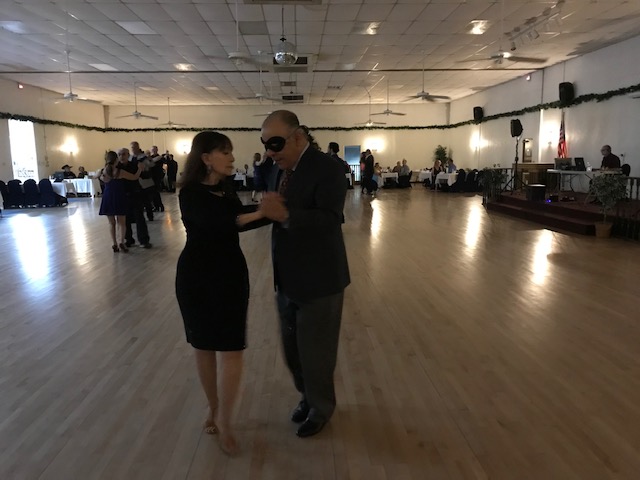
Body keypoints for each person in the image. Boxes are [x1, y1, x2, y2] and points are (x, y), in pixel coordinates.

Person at [175, 131, 268, 456]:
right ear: (206, 158)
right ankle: (213, 407)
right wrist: (264, 211)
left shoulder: (226, 188)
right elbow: (221, 223)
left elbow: (239, 218)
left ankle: (226, 420)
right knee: (203, 347)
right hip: (197, 278)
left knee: (232, 348)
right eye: (224, 152)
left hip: (230, 276)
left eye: (230, 152)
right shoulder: (189, 193)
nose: (231, 158)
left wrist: (266, 211)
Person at [259, 110, 350, 438]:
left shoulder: (328, 168)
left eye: (276, 143)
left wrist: (285, 215)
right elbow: (273, 213)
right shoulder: (278, 168)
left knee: (316, 354)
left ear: (298, 137)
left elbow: (330, 218)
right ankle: (307, 397)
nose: (270, 151)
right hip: (287, 277)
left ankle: (320, 408)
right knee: (293, 351)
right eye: (265, 144)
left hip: (320, 279)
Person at [98, 151, 142, 252]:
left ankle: (114, 243)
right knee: (122, 223)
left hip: (108, 197)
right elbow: (134, 177)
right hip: (119, 196)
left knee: (111, 223)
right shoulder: (120, 172)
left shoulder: (103, 172)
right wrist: (140, 169)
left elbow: (97, 177)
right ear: (116, 160)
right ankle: (121, 241)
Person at [119, 147, 152, 249]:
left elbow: (145, 175)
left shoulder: (134, 165)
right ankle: (128, 240)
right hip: (122, 196)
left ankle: (144, 240)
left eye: (124, 154)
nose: (121, 156)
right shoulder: (117, 167)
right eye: (119, 154)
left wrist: (143, 169)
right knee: (125, 220)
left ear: (128, 155)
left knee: (139, 217)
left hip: (135, 194)